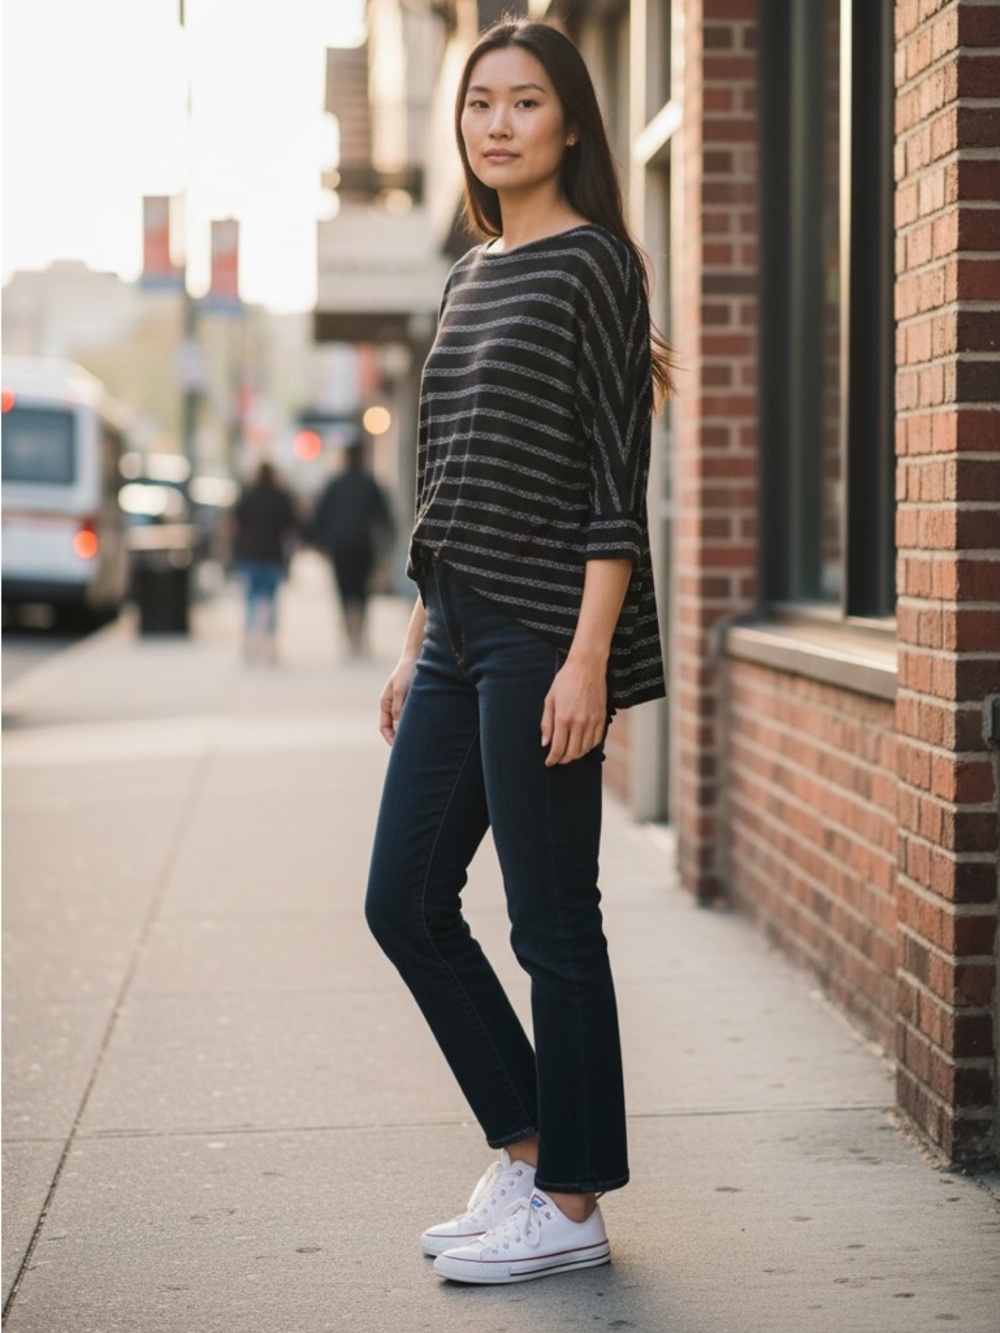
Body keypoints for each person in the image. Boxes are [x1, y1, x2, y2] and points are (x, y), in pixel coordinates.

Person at [364, 17, 672, 1286]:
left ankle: (575, 1203)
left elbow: (614, 477)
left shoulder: (597, 265)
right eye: (480, 103)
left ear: (569, 124)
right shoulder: (467, 274)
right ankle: (529, 1145)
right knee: (404, 900)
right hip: (457, 631)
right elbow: (448, 480)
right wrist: (415, 639)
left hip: (549, 628)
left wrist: (588, 659)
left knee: (552, 921)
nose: (497, 124)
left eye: (524, 102)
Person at [311, 442, 395, 659]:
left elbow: (320, 517)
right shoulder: (370, 483)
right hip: (363, 545)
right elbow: (384, 517)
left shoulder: (334, 484)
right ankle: (360, 636)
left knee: (344, 591)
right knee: (362, 592)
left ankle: (349, 635)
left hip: (339, 546)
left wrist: (321, 543)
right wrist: (387, 545)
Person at [231, 460, 298, 662]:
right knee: (271, 600)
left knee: (251, 599)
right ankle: (270, 644)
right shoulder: (280, 497)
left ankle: (250, 642)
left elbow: (233, 524)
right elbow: (291, 527)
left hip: (250, 555)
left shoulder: (247, 496)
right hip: (273, 555)